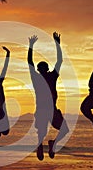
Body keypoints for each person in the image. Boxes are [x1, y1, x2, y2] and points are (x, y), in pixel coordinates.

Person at [27, 32, 69, 161]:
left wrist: (57, 43)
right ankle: (40, 146)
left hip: (52, 109)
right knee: (42, 133)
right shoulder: (36, 78)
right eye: (41, 67)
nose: (42, 68)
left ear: (47, 68)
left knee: (65, 130)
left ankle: (52, 144)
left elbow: (60, 61)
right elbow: (30, 62)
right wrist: (31, 46)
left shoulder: (52, 76)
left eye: (44, 66)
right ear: (39, 69)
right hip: (41, 110)